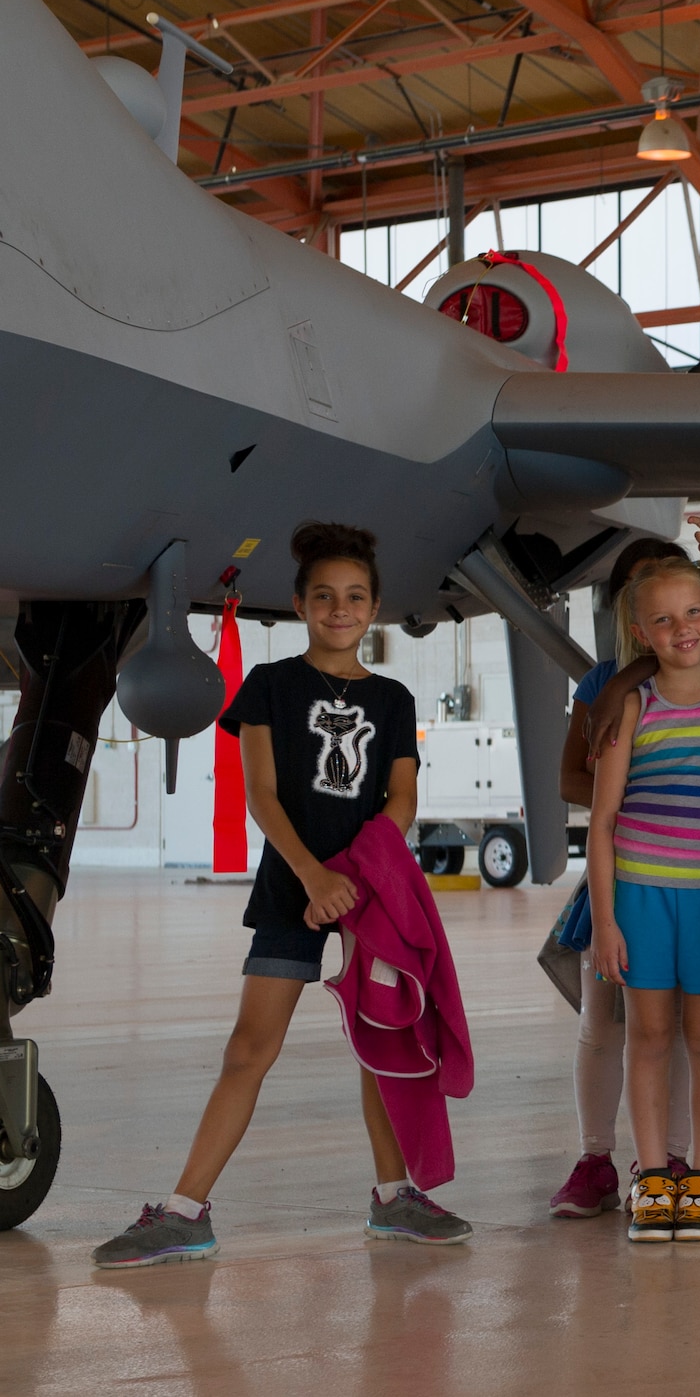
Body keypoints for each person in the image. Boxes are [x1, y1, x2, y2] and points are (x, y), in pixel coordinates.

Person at [93, 523, 472, 1268]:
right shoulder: (269, 685)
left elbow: (401, 799)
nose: (340, 607)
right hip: (292, 885)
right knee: (249, 1048)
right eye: (324, 595)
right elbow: (259, 794)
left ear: (375, 608)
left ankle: (395, 1197)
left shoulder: (393, 697)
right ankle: (184, 1211)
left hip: (373, 892)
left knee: (382, 1044)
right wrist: (312, 876)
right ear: (300, 603)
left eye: (355, 596)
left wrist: (355, 877)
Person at [586, 556, 700, 1242]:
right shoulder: (633, 702)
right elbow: (601, 822)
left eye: (693, 612)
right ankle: (653, 1177)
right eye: (663, 618)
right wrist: (603, 922)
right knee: (649, 1037)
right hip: (642, 895)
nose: (682, 628)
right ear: (640, 630)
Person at [547, 537, 697, 1220]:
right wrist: (631, 800)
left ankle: (670, 1158)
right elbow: (570, 777)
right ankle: (595, 1157)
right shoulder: (604, 682)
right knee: (601, 1020)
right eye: (643, 590)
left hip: (691, 877)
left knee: (685, 1027)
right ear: (628, 610)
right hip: (619, 874)